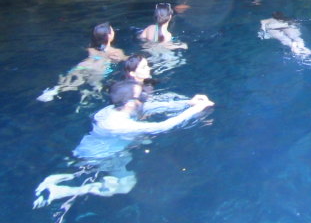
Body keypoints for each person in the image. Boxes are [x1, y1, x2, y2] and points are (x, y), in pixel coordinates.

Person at [33, 81, 214, 208]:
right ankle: (62, 191)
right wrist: (194, 110)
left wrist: (188, 102)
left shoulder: (115, 108)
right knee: (125, 185)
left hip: (108, 151)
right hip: (101, 157)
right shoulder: (116, 123)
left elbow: (152, 107)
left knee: (125, 182)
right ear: (128, 102)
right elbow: (162, 126)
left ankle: (63, 186)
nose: (143, 97)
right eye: (139, 95)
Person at [37, 22, 127, 103]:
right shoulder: (116, 52)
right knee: (95, 87)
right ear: (109, 36)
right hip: (98, 69)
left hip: (83, 65)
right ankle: (88, 95)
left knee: (71, 81)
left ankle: (55, 90)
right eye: (112, 31)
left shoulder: (90, 48)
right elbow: (127, 60)